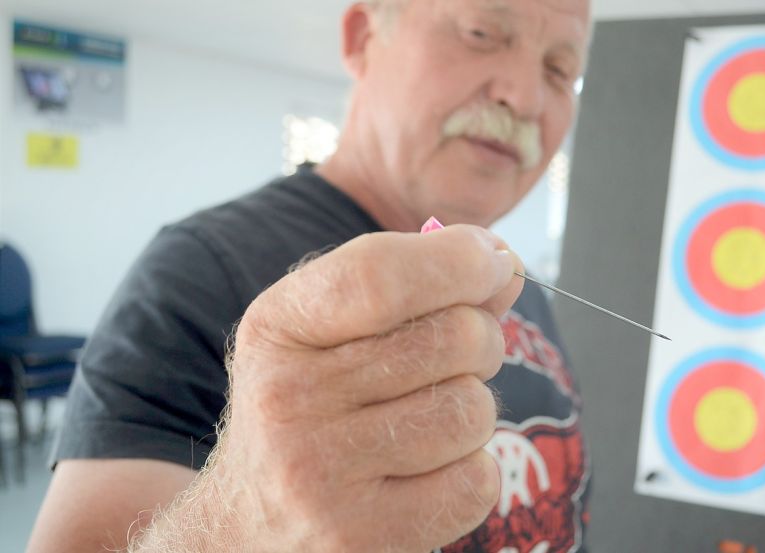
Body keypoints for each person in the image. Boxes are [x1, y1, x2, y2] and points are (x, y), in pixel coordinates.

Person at [28, 0, 592, 551]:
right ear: (362, 39)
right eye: (480, 33)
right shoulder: (197, 273)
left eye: (559, 69)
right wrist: (244, 531)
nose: (521, 96)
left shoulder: (511, 278)